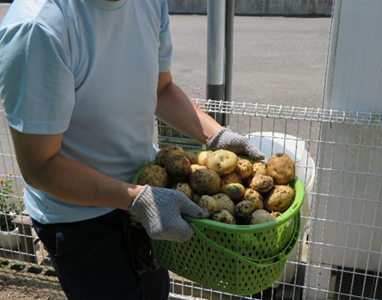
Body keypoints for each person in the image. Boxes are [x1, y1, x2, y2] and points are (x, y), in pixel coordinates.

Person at [0, 0, 264, 299]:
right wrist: (139, 200)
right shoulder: (38, 28)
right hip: (80, 218)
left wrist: (217, 136)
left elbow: (160, 88)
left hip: (148, 192)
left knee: (155, 292)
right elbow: (40, 166)